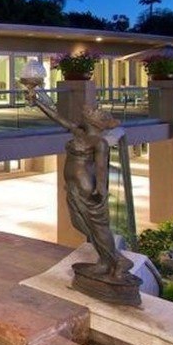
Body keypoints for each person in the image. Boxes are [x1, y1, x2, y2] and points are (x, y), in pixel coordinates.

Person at [26, 88, 131, 279]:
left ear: (97, 122)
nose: (91, 110)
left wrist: (100, 190)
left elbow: (101, 168)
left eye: (96, 112)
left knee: (98, 227)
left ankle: (115, 261)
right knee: (79, 223)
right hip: (74, 186)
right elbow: (58, 118)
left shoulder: (99, 142)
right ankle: (108, 259)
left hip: (87, 188)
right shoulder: (79, 133)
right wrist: (38, 103)